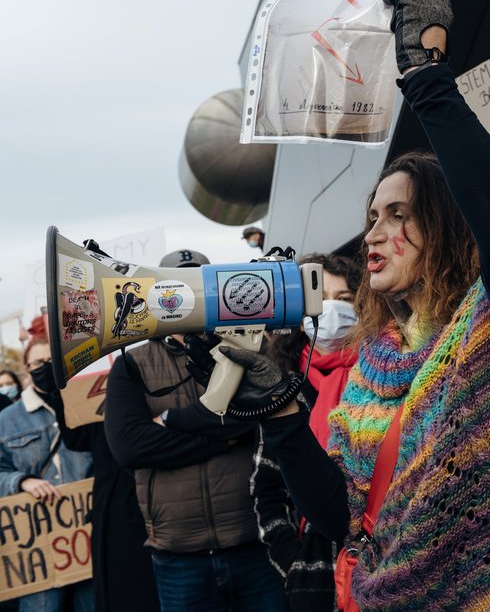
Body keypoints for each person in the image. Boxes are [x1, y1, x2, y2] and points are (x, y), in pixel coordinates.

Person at [195, 0, 490, 611]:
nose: (375, 233)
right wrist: (281, 413)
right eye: (372, 216)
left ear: (448, 229)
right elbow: (343, 515)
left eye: (399, 215)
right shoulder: (376, 364)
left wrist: (428, 79)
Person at [102, 249, 287, 612]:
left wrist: (174, 422)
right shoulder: (131, 366)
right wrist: (228, 437)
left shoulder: (245, 348)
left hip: (256, 543)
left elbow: (260, 416)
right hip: (179, 556)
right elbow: (130, 447)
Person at [253, 252, 360, 611]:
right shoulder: (283, 389)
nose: (331, 309)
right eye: (320, 298)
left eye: (344, 299)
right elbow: (266, 489)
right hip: (315, 581)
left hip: (384, 572)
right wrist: (293, 562)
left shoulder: (382, 374)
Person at [0, 334, 94, 612]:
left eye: (52, 361)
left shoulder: (85, 404)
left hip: (86, 539)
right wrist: (22, 481)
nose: (46, 367)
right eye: (38, 362)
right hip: (36, 552)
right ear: (27, 369)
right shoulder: (7, 419)